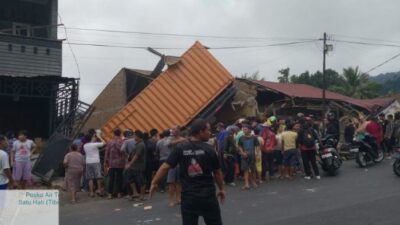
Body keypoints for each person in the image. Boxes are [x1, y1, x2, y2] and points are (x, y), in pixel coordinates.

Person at [150, 119, 225, 225]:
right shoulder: (209, 150)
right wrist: (221, 189)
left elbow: (165, 167)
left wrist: (154, 182)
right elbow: (217, 172)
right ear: (200, 132)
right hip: (208, 197)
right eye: (208, 130)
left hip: (189, 198)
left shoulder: (180, 149)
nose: (210, 132)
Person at [166, 126, 187, 207]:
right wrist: (180, 141)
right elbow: (168, 144)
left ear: (178, 130)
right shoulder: (170, 138)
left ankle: (178, 198)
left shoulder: (183, 139)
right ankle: (171, 200)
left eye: (174, 129)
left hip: (181, 163)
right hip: (171, 163)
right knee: (171, 182)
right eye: (172, 129)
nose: (173, 130)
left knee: (179, 182)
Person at [125, 130, 147, 201]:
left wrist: (130, 164)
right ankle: (135, 193)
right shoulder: (137, 144)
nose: (133, 137)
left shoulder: (141, 144)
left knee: (141, 181)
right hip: (133, 166)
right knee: (130, 179)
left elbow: (136, 156)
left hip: (138, 166)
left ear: (138, 136)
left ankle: (142, 196)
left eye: (134, 135)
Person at [104, 128, 125, 199]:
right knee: (119, 178)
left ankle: (110, 194)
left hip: (112, 163)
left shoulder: (110, 142)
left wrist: (105, 162)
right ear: (120, 134)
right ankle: (119, 193)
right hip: (120, 163)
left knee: (111, 178)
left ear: (114, 134)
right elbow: (124, 152)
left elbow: (107, 152)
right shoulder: (122, 142)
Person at [83, 133, 106, 197]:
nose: (94, 138)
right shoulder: (94, 144)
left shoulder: (85, 145)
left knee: (90, 178)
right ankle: (99, 190)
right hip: (96, 162)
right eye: (93, 137)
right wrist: (99, 137)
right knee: (98, 177)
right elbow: (104, 143)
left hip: (88, 162)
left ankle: (91, 193)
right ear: (91, 138)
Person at [238, 124, 259, 189]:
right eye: (243, 129)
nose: (244, 130)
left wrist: (257, 153)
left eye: (245, 129)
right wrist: (242, 152)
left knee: (253, 169)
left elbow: (257, 146)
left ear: (249, 130)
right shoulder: (241, 138)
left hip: (252, 155)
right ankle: (246, 184)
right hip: (244, 155)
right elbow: (239, 146)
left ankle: (253, 182)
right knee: (245, 170)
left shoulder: (254, 137)